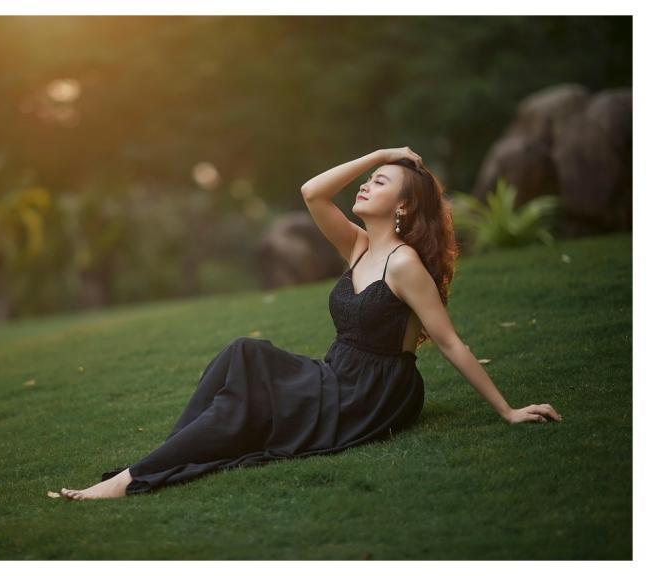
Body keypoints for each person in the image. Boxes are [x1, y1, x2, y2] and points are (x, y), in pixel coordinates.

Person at [61, 147, 563, 501]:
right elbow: (312, 192)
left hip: (372, 392)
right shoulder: (358, 244)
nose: (366, 184)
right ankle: (158, 461)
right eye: (369, 179)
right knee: (243, 352)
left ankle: (132, 479)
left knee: (244, 393)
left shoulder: (405, 264)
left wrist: (508, 410)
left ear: (404, 206)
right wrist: (380, 156)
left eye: (380, 182)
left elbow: (450, 342)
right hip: (336, 372)